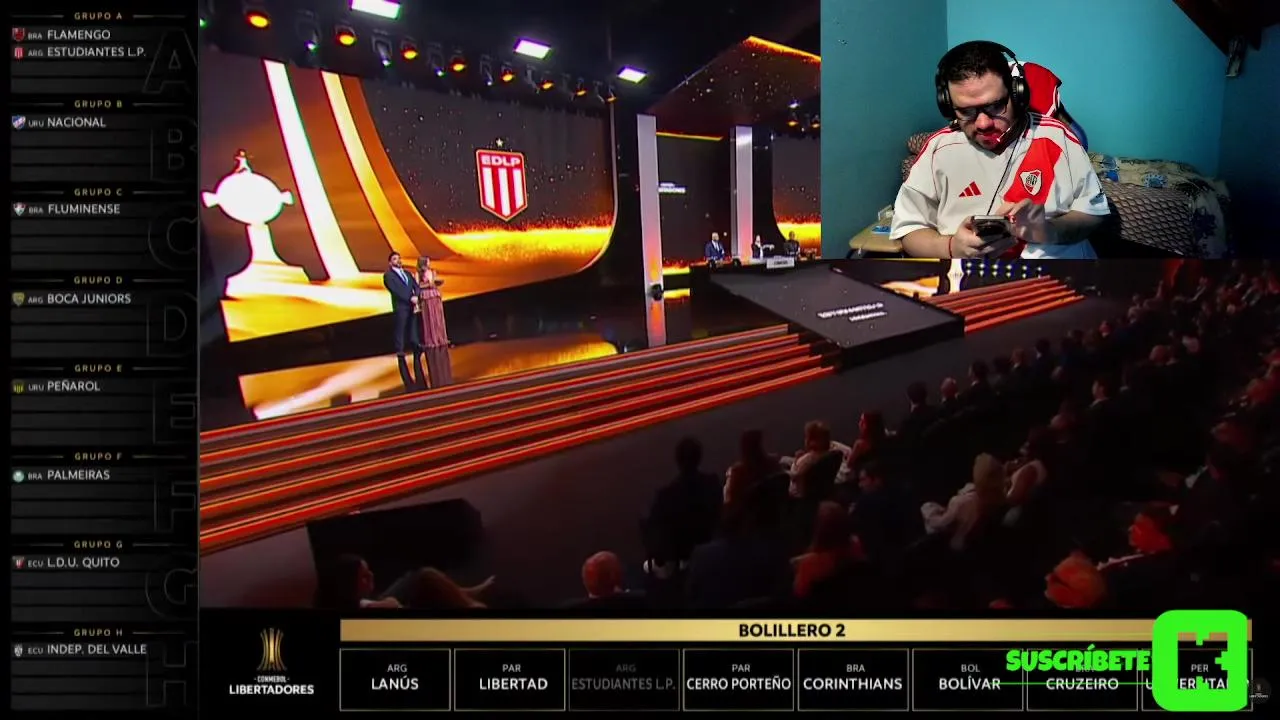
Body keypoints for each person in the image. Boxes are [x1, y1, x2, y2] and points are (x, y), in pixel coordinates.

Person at [890, 41, 1109, 260]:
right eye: (966, 111)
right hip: (969, 275)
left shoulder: (1058, 137)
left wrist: (1048, 230)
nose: (983, 123)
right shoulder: (938, 150)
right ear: (947, 106)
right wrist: (951, 248)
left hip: (1058, 273)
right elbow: (908, 230)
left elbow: (1093, 214)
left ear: (1016, 94)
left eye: (995, 106)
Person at [383, 252, 427, 389]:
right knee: (400, 329)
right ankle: (400, 351)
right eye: (395, 259)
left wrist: (416, 296)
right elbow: (396, 291)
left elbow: (416, 286)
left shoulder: (407, 274)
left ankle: (415, 345)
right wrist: (409, 298)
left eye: (399, 258)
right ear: (390, 262)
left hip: (412, 305)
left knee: (412, 327)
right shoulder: (388, 276)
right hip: (401, 307)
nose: (398, 260)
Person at [416, 257, 450, 348]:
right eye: (428, 261)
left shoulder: (432, 271)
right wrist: (428, 284)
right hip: (427, 295)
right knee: (430, 317)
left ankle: (440, 338)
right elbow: (418, 286)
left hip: (435, 294)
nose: (429, 263)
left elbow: (434, 281)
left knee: (438, 317)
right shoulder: (419, 273)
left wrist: (436, 283)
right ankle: (432, 339)